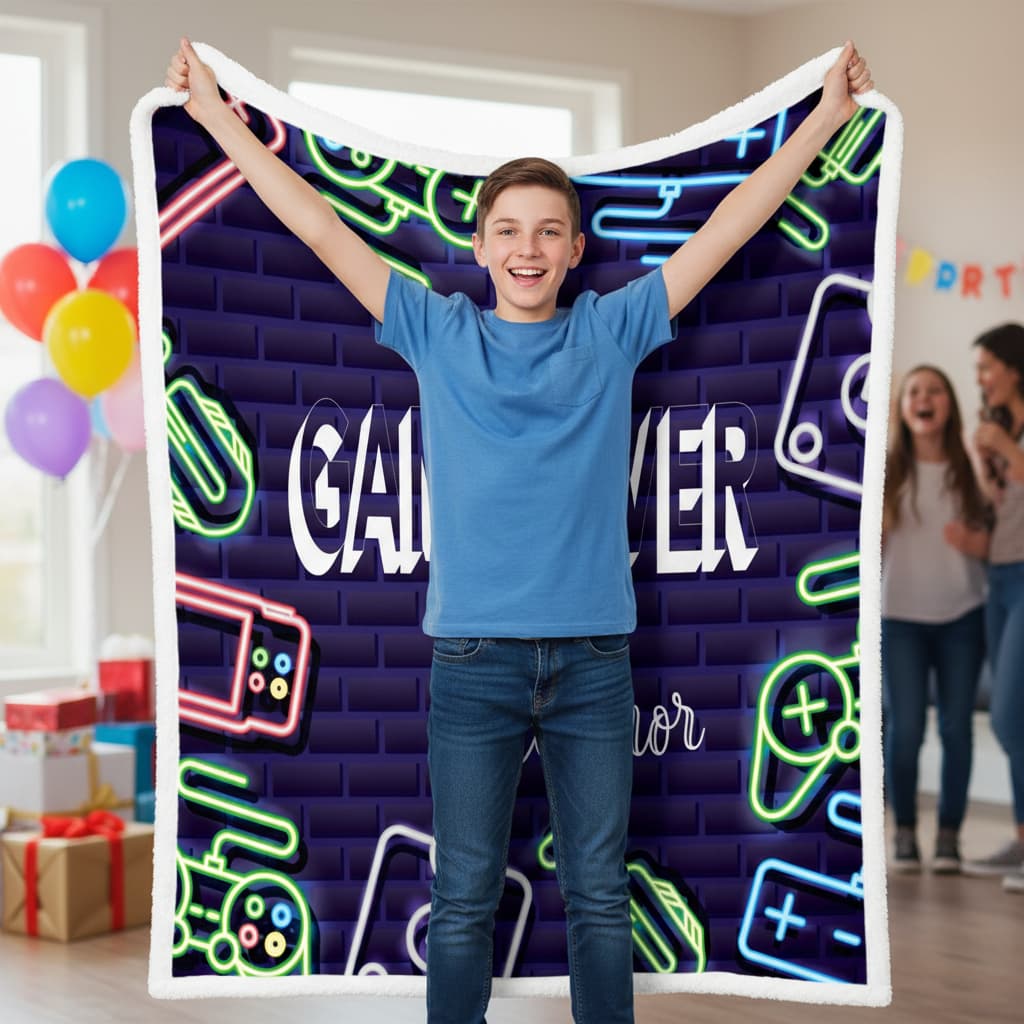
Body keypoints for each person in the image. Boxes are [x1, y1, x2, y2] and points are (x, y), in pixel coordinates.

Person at [165, 38, 874, 1022]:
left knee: (599, 896)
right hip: (473, 661)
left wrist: (827, 118)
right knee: (462, 898)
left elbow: (728, 228)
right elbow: (321, 229)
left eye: (548, 231)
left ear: (576, 250)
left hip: (593, 660)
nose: (528, 248)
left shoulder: (612, 330)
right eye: (508, 230)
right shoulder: (436, 329)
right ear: (480, 246)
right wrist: (212, 116)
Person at [881, 366, 989, 874]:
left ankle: (949, 836)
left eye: (935, 391)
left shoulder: (971, 467)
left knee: (956, 730)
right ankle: (903, 830)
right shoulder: (885, 471)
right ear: (903, 407)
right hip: (899, 618)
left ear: (949, 403)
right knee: (904, 730)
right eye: (915, 391)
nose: (925, 398)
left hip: (963, 616)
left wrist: (974, 542)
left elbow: (1000, 538)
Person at [961, 324, 1024, 892]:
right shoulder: (1001, 427)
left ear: (1013, 367)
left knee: (1008, 717)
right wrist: (984, 465)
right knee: (1015, 717)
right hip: (999, 576)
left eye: (986, 367)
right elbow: (997, 507)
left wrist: (1007, 451)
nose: (979, 378)